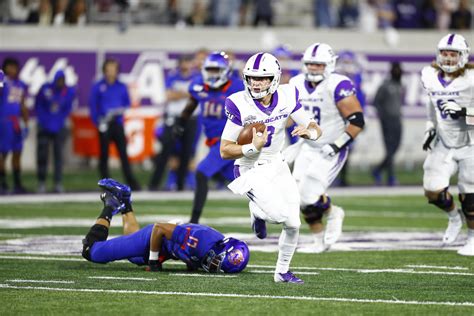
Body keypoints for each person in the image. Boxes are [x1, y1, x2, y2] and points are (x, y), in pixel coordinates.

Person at [221, 52, 322, 284]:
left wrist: (311, 132)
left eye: (262, 78)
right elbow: (225, 150)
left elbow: (313, 126)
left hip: (276, 163)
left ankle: (282, 272)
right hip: (249, 168)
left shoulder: (287, 95)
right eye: (252, 77)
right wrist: (250, 147)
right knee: (278, 215)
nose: (256, 83)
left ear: (274, 79)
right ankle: (257, 211)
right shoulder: (238, 102)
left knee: (294, 223)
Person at [286, 43, 365, 253]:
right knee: (299, 198)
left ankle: (333, 212)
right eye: (310, 64)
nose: (313, 68)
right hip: (307, 146)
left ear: (329, 65)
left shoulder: (338, 84)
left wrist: (336, 145)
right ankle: (319, 242)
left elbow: (357, 121)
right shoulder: (295, 83)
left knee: (309, 194)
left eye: (318, 65)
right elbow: (288, 116)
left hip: (331, 148)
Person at [81, 178, 249, 273]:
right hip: (156, 237)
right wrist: (154, 262)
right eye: (216, 262)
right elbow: (160, 228)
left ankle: (125, 202)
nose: (213, 267)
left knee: (134, 256)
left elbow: (190, 256)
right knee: (91, 252)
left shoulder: (210, 248)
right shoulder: (199, 241)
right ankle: (110, 206)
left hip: (167, 248)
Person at [174, 51, 244, 224]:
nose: (212, 74)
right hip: (213, 142)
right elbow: (193, 102)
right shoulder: (199, 85)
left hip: (230, 140)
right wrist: (182, 120)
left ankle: (193, 221)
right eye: (209, 70)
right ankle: (264, 214)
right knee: (243, 182)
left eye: (216, 70)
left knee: (201, 173)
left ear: (226, 71)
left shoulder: (238, 87)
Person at [421, 33, 474, 256]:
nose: (449, 58)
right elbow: (433, 106)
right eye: (445, 53)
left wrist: (464, 112)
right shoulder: (429, 75)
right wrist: (430, 128)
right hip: (444, 141)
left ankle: (472, 238)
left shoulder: (472, 78)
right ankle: (454, 217)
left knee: (470, 195)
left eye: (453, 54)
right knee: (432, 191)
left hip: (470, 143)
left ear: (463, 56)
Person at [148, 54, 199, 191]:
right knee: (166, 150)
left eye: (188, 62)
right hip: (174, 117)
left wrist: (179, 94)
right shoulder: (173, 76)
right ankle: (154, 184)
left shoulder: (197, 77)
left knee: (186, 152)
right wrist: (186, 93)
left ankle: (181, 185)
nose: (185, 66)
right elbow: (169, 95)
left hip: (190, 117)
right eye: (183, 62)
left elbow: (197, 94)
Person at [89, 58, 141, 190]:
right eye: (109, 68)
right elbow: (93, 106)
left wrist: (118, 111)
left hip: (117, 123)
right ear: (105, 70)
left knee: (123, 154)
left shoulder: (121, 86)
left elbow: (127, 103)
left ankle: (131, 181)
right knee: (104, 154)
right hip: (104, 123)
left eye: (114, 68)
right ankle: (105, 183)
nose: (111, 71)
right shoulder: (98, 86)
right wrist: (98, 122)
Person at [35, 70, 75, 193]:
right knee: (42, 156)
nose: (60, 82)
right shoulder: (45, 88)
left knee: (58, 157)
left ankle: (57, 183)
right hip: (45, 125)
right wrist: (43, 120)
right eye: (59, 80)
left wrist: (60, 121)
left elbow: (67, 108)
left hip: (58, 126)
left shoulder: (67, 91)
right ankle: (41, 182)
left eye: (62, 80)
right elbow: (38, 105)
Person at [0, 57, 29, 194]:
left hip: (16, 122)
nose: (12, 70)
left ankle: (17, 183)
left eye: (14, 67)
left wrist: (26, 123)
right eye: (9, 67)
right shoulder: (3, 82)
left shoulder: (20, 84)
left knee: (17, 152)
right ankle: (3, 183)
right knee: (3, 153)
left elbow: (23, 104)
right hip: (4, 120)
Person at [372, 61, 403, 186]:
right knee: (390, 149)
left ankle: (378, 169)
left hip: (398, 120)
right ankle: (390, 177)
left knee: (396, 147)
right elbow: (376, 102)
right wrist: (383, 116)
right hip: (387, 121)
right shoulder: (385, 85)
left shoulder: (400, 85)